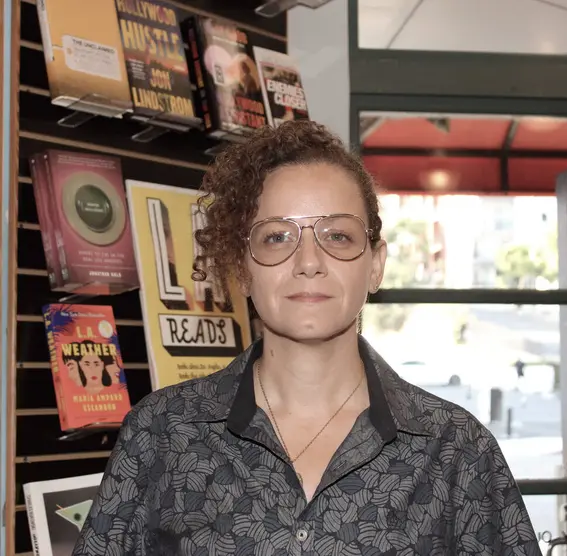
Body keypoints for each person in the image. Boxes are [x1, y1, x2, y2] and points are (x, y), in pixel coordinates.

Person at [72, 120, 541, 555]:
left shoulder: (456, 450)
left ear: (375, 265)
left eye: (337, 236)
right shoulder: (163, 433)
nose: (308, 261)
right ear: (241, 266)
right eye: (277, 237)